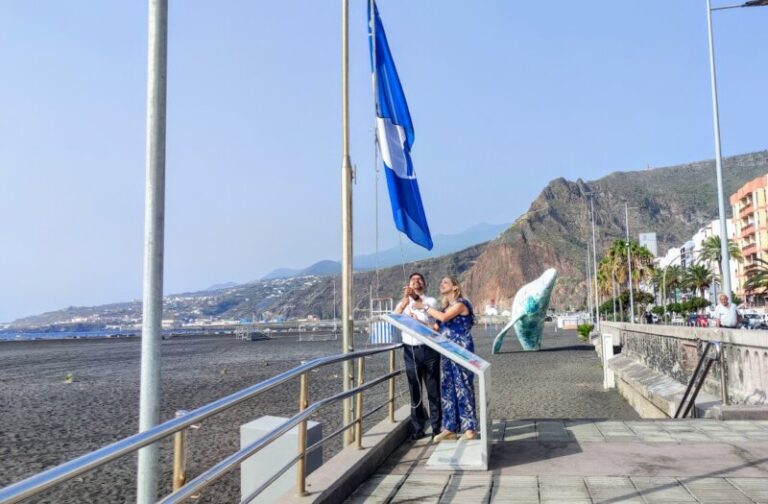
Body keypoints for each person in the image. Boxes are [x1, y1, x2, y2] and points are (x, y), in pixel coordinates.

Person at [413, 276, 478, 442]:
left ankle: (469, 428)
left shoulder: (461, 304)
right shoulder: (445, 308)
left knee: (463, 386)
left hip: (461, 350)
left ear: (455, 287)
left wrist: (424, 306)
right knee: (448, 387)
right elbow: (434, 327)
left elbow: (443, 319)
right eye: (440, 282)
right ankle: (450, 427)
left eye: (446, 282)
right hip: (447, 352)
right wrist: (416, 322)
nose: (442, 284)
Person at [394, 272, 441, 440]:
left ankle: (437, 427)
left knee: (433, 390)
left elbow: (433, 325)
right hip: (410, 350)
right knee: (415, 391)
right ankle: (418, 428)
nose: (415, 281)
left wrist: (414, 300)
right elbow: (395, 318)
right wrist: (405, 302)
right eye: (412, 280)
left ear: (424, 284)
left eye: (419, 279)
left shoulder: (430, 301)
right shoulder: (403, 303)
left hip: (429, 350)